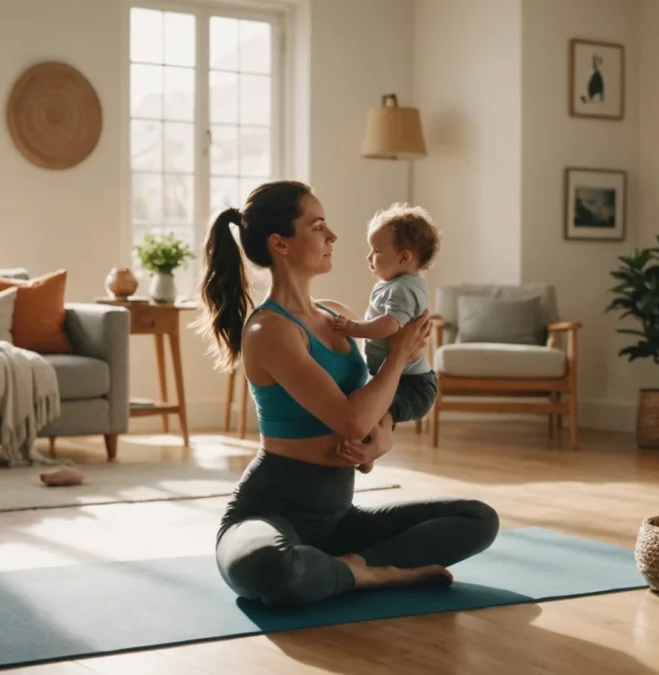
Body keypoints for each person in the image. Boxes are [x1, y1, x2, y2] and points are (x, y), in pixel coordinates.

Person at [195, 180, 499, 607]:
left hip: (339, 518)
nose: (333, 237)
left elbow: (373, 411)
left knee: (478, 519)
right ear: (280, 243)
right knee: (265, 565)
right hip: (270, 511)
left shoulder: (339, 315)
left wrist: (385, 433)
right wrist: (398, 355)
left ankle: (352, 566)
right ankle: (370, 576)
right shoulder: (269, 330)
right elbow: (352, 419)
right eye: (318, 227)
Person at [330, 202, 441, 474]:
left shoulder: (403, 289)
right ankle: (371, 449)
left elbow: (390, 325)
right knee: (372, 408)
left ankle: (374, 449)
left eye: (377, 251)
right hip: (401, 377)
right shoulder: (394, 285)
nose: (369, 257)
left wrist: (353, 328)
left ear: (404, 258)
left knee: (377, 412)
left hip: (412, 384)